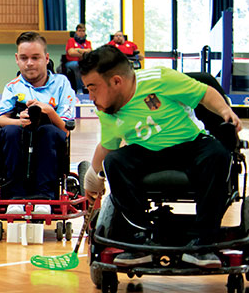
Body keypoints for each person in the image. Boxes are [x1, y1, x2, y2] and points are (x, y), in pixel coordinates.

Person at [80, 45, 240, 268]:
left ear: (116, 81)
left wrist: (225, 111)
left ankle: (204, 242)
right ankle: (139, 236)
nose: (90, 96)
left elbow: (205, 93)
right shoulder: (107, 110)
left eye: (93, 88)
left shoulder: (161, 79)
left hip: (188, 145)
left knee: (218, 154)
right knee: (114, 162)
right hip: (145, 153)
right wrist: (92, 177)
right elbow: (107, 146)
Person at [0, 32, 76, 215]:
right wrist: (19, 121)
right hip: (21, 132)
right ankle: (14, 197)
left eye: (35, 57)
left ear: (46, 58)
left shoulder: (61, 84)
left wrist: (48, 111)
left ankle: (45, 197)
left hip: (51, 134)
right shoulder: (12, 86)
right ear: (17, 59)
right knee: (9, 132)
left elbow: (66, 128)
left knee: (47, 132)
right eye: (24, 58)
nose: (29, 63)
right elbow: (0, 119)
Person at [64, 23, 92, 94]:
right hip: (71, 63)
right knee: (78, 65)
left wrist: (77, 50)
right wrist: (84, 53)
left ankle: (90, 88)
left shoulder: (87, 42)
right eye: (79, 31)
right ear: (76, 32)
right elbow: (71, 53)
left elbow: (90, 52)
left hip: (84, 62)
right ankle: (79, 90)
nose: (81, 33)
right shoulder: (71, 41)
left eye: (83, 31)